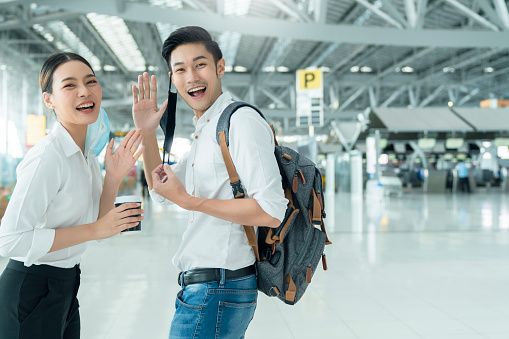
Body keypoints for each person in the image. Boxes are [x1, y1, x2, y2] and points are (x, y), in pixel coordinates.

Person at [132, 26, 288, 338]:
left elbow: (272, 210)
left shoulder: (239, 122)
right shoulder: (208, 129)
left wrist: (190, 202)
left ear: (220, 67)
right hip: (209, 287)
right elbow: (161, 191)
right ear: (173, 80)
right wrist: (148, 133)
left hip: (219, 287)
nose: (191, 77)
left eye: (200, 64)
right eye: (180, 69)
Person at [0, 52, 145, 339]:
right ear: (49, 100)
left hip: (66, 285)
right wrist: (94, 229)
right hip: (31, 290)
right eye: (69, 85)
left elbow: (98, 230)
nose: (84, 91)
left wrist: (113, 178)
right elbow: (10, 239)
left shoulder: (86, 157)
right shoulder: (47, 156)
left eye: (91, 81)